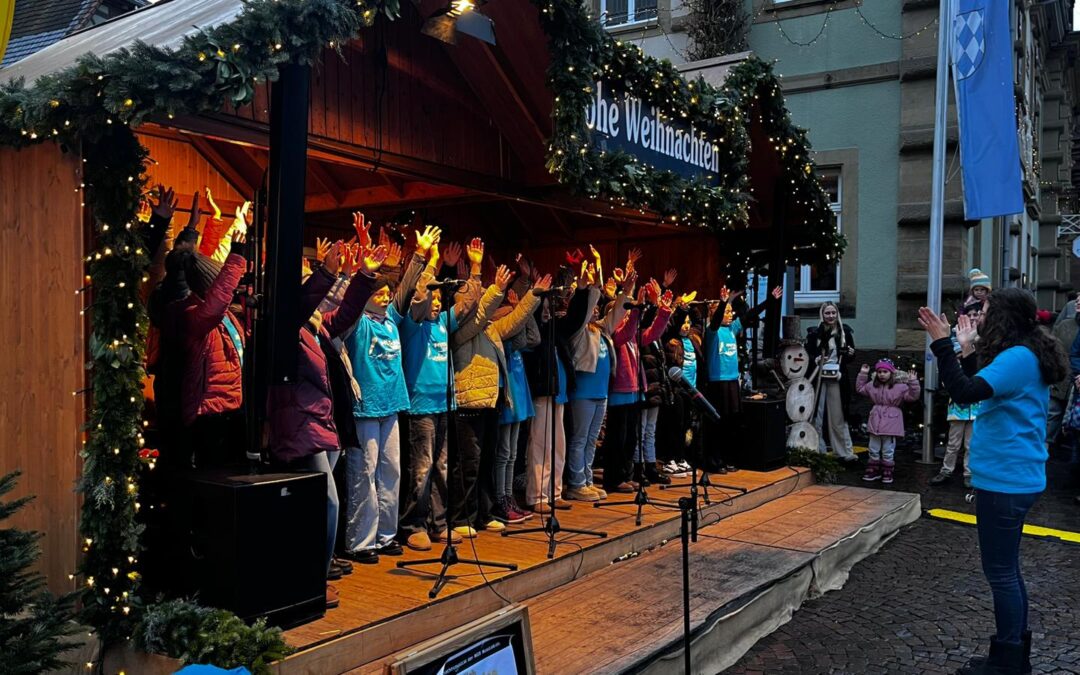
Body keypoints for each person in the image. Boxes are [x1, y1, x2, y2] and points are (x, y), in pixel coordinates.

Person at [920, 288, 1068, 674]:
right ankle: (1012, 655)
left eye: (983, 310)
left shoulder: (1017, 358)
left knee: (1001, 573)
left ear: (1002, 315)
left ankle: (1007, 662)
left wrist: (942, 344)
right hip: (1013, 477)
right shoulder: (1022, 354)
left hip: (1005, 481)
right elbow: (984, 391)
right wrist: (967, 351)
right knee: (1007, 571)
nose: (977, 316)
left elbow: (964, 393)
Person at [267, 240, 385, 608]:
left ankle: (309, 573)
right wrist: (328, 273)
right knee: (328, 502)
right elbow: (300, 304)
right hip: (302, 426)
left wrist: (364, 277)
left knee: (317, 505)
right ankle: (313, 578)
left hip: (322, 423)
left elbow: (347, 314)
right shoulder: (283, 323)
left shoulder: (314, 327)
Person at [342, 217, 428, 564]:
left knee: (391, 471)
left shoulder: (391, 318)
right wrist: (362, 252)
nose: (384, 294)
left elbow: (406, 288)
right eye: (376, 290)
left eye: (385, 291)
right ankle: (360, 542)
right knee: (364, 473)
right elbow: (348, 296)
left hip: (391, 405)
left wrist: (420, 256)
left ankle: (386, 535)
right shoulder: (357, 321)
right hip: (365, 408)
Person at [449, 239, 549, 537]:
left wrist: (532, 296)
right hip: (468, 400)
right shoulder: (463, 329)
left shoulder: (491, 329)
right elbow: (476, 312)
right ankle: (461, 518)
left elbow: (516, 322)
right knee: (467, 463)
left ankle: (484, 512)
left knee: (485, 462)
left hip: (490, 399)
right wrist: (484, 278)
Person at [524, 261, 599, 510]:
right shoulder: (537, 334)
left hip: (560, 394)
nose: (547, 312)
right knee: (540, 446)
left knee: (558, 446)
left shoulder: (556, 330)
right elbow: (532, 315)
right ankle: (538, 497)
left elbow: (576, 318)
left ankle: (555, 492)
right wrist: (535, 295)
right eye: (543, 308)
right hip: (543, 393)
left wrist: (582, 290)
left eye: (549, 308)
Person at [175, 230, 248, 468]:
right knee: (214, 483)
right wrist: (236, 258)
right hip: (208, 415)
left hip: (232, 410)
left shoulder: (228, 317)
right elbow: (216, 304)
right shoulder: (193, 316)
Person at [567, 268, 636, 501]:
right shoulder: (579, 330)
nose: (595, 310)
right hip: (583, 393)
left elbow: (616, 315)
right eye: (593, 307)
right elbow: (584, 311)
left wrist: (626, 292)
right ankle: (576, 483)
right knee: (579, 438)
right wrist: (593, 289)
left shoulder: (602, 330)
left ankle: (586, 480)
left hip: (600, 393)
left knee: (591, 439)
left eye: (597, 307)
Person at [603, 278, 673, 493]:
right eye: (625, 310)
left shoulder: (633, 336)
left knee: (630, 438)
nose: (629, 313)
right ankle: (614, 478)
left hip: (634, 391)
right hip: (619, 391)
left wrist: (663, 310)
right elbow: (624, 333)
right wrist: (636, 310)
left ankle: (627, 474)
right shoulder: (616, 333)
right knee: (618, 437)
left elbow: (652, 334)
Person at [931, 301, 986, 488]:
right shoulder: (957, 339)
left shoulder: (985, 340)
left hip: (976, 404)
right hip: (958, 404)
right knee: (953, 441)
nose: (972, 318)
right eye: (969, 314)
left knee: (971, 443)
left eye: (976, 314)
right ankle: (946, 470)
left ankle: (969, 473)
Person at [806, 301, 858, 463]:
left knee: (839, 415)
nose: (830, 316)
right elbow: (809, 354)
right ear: (822, 315)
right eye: (827, 313)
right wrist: (817, 358)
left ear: (837, 314)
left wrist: (850, 353)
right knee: (816, 414)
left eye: (833, 313)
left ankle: (844, 452)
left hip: (837, 377)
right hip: (819, 376)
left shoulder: (844, 333)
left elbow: (850, 357)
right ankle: (817, 449)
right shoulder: (815, 334)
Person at [855, 360, 920, 484]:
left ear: (891, 372)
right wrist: (863, 374)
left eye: (885, 372)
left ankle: (887, 470)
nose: (882, 374)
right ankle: (873, 468)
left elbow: (912, 396)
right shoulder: (872, 385)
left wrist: (913, 382)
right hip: (875, 422)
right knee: (873, 447)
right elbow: (860, 389)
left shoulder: (900, 387)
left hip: (891, 422)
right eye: (879, 372)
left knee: (888, 449)